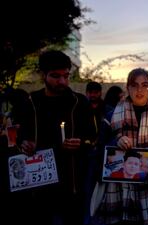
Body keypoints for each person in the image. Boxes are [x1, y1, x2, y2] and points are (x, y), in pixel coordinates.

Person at [20, 50, 96, 225]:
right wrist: (24, 143)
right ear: (43, 75)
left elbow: (92, 137)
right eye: (55, 76)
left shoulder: (79, 102)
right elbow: (19, 134)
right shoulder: (31, 103)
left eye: (66, 76)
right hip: (39, 186)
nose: (62, 81)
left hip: (72, 184)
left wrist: (80, 143)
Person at [92, 67, 148, 225]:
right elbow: (99, 151)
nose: (140, 90)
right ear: (127, 88)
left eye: (145, 85)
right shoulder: (112, 115)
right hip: (121, 188)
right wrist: (116, 143)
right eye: (134, 85)